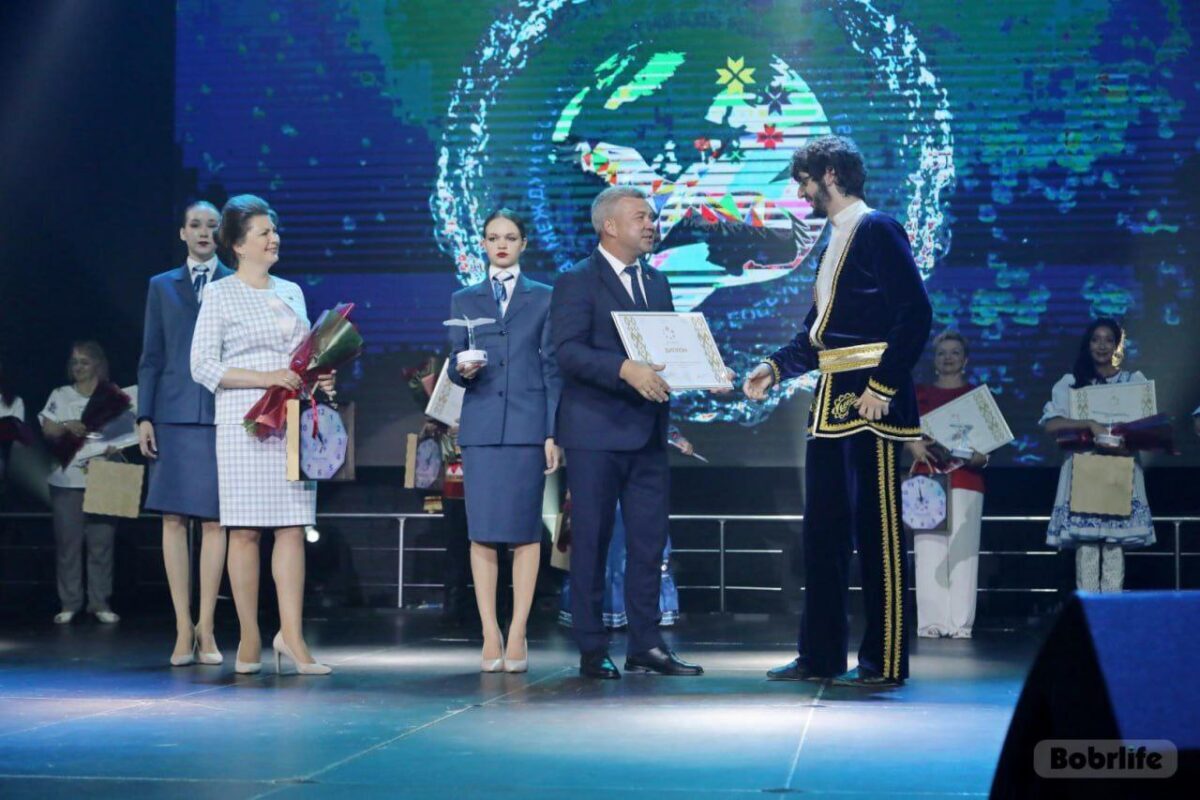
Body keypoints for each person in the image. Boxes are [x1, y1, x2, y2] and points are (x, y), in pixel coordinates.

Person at [745, 135, 931, 687]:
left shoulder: (876, 228)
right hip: (831, 400)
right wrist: (774, 368)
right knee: (822, 534)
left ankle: (884, 661)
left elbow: (915, 313)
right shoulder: (835, 240)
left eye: (804, 180)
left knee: (878, 535)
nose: (801, 192)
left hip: (872, 399)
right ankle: (820, 655)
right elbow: (819, 335)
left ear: (829, 173)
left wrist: (883, 385)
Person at [550, 185, 704, 679]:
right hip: (594, 433)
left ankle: (647, 644)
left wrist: (703, 372)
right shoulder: (576, 280)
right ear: (610, 226)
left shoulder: (657, 282)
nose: (652, 224)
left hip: (648, 433)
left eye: (652, 217)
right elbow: (567, 351)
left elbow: (668, 351)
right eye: (641, 217)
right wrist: (624, 369)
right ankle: (592, 647)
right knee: (592, 542)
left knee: (648, 544)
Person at [191, 194, 335, 675]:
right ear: (238, 245)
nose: (274, 238)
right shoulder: (220, 294)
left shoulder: (291, 291)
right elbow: (202, 365)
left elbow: (302, 358)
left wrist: (318, 378)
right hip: (244, 423)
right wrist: (264, 377)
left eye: (274, 231)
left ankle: (291, 636)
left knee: (293, 527)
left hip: (291, 420)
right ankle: (250, 634)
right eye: (263, 233)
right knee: (246, 530)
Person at [448, 209, 561, 673]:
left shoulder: (545, 297)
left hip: (527, 426)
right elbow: (453, 363)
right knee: (482, 532)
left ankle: (517, 632)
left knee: (524, 533)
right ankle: (489, 631)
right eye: (493, 237)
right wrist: (462, 368)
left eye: (510, 237)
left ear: (523, 243)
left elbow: (552, 367)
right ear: (483, 243)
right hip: (481, 427)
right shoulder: (464, 298)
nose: (501, 245)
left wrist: (552, 431)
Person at [137, 200, 233, 667]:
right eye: (195, 225)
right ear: (182, 232)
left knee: (215, 522)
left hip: (220, 413)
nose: (203, 232)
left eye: (212, 226)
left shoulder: (235, 283)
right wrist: (144, 416)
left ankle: (207, 627)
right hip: (172, 415)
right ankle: (181, 626)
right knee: (173, 520)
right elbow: (151, 356)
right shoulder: (161, 286)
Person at [1040, 318, 1154, 592]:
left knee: (1115, 549)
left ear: (1117, 346)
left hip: (1119, 470)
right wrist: (1089, 424)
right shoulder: (1071, 383)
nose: (1102, 345)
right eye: (1096, 339)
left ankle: (1110, 613)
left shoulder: (1132, 382)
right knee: (1087, 549)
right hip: (1085, 470)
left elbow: (1148, 429)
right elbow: (1051, 425)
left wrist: (1126, 443)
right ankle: (1090, 613)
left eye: (1108, 340)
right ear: (1087, 344)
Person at [38, 342, 134, 624]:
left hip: (106, 475)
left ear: (98, 365)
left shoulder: (113, 396)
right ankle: (70, 603)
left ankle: (99, 602)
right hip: (67, 478)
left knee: (102, 543)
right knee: (68, 544)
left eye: (84, 362)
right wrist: (66, 426)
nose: (78, 367)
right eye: (74, 362)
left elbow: (129, 432)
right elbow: (48, 430)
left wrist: (119, 445)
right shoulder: (61, 394)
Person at [907, 331, 988, 638]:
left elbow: (986, 451)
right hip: (927, 478)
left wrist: (974, 456)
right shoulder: (918, 394)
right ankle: (932, 623)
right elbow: (903, 432)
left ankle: (960, 624)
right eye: (942, 353)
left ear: (965, 359)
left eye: (955, 352)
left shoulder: (978, 398)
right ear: (934, 359)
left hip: (966, 479)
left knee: (963, 552)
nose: (948, 358)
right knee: (928, 551)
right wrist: (912, 444)